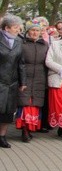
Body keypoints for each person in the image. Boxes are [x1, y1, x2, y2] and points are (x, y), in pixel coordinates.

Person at [17, 19, 47, 141]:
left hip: (40, 77)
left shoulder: (45, 45)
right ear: (28, 31)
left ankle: (31, 128)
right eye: (32, 30)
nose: (35, 33)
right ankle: (24, 129)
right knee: (25, 103)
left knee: (35, 105)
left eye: (37, 30)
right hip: (25, 77)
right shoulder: (21, 44)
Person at [0, 14, 27, 147]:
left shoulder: (18, 41)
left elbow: (21, 63)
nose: (18, 30)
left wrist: (23, 82)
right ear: (6, 28)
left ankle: (2, 136)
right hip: (0, 81)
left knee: (8, 111)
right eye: (15, 27)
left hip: (12, 82)